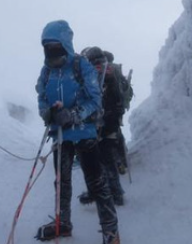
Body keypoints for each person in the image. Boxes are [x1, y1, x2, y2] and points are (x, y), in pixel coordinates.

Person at [34, 20, 120, 244]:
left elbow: (95, 100)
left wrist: (73, 115)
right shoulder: (46, 71)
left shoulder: (80, 65)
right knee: (61, 181)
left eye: (56, 47)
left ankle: (111, 231)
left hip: (84, 133)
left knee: (96, 181)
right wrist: (48, 113)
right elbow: (42, 98)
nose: (52, 52)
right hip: (60, 135)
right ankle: (63, 223)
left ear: (65, 44)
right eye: (48, 47)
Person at [77, 47, 126, 206]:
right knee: (107, 160)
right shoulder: (112, 71)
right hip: (111, 123)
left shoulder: (96, 74)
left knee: (97, 162)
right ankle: (116, 193)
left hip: (99, 124)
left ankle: (100, 193)